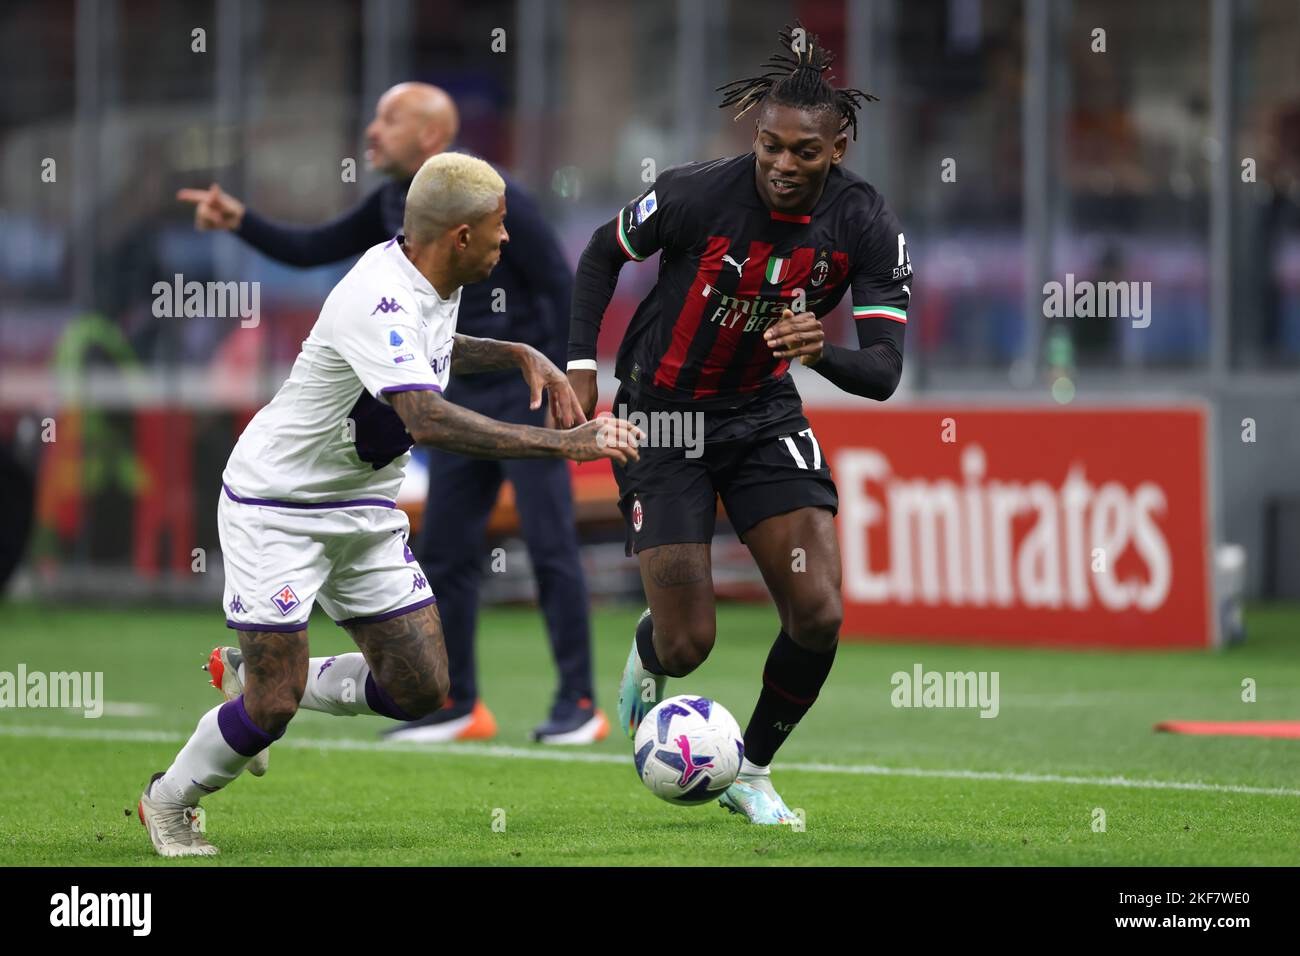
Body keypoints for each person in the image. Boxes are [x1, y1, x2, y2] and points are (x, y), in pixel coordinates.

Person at [139, 153, 642, 857]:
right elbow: (427, 419)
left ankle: (256, 672)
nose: (509, 240)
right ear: (461, 235)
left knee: (422, 688)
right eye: (499, 229)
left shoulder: (431, 275)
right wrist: (567, 445)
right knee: (273, 708)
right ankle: (169, 799)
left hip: (365, 510)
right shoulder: (380, 296)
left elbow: (433, 350)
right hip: (279, 509)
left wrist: (518, 352)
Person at [178, 83, 607, 744]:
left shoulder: (494, 204)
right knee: (449, 552)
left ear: (432, 140)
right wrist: (239, 220)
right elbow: (313, 247)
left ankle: (578, 703)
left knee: (551, 547)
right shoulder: (394, 212)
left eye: (390, 119)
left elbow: (559, 281)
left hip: (520, 399)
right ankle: (459, 703)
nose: (372, 131)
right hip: (443, 397)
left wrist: (561, 369)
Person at [566, 25, 910, 824]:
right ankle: (653, 651)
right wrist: (582, 364)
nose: (784, 165)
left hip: (761, 417)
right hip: (664, 417)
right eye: (770, 146)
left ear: (839, 146)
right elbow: (598, 253)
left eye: (805, 152)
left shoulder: (865, 224)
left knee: (819, 611)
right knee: (691, 644)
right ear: (753, 135)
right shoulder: (695, 193)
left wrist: (820, 352)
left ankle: (751, 767)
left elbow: (885, 371)